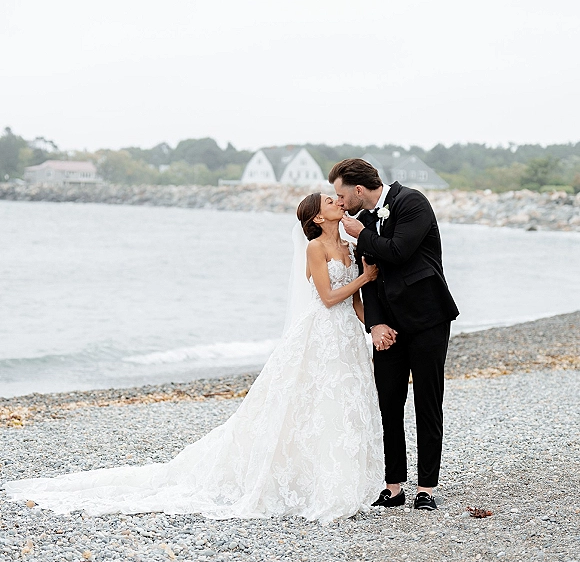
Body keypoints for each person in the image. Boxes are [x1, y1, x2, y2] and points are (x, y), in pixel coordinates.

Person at [4, 193, 384, 524]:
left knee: (340, 405)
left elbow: (352, 304)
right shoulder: (314, 248)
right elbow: (329, 297)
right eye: (330, 201)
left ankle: (338, 483)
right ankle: (307, 486)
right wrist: (365, 279)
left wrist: (375, 327)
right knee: (300, 406)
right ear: (318, 217)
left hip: (344, 338)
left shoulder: (350, 248)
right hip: (317, 333)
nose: (339, 202)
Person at [329, 158, 459, 512]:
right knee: (389, 403)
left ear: (358, 190)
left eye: (341, 195)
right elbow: (369, 277)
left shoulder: (412, 202)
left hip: (429, 318)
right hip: (389, 326)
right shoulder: (364, 222)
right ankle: (394, 486)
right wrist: (375, 324)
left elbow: (400, 251)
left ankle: (426, 488)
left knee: (427, 403)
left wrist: (360, 234)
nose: (338, 202)